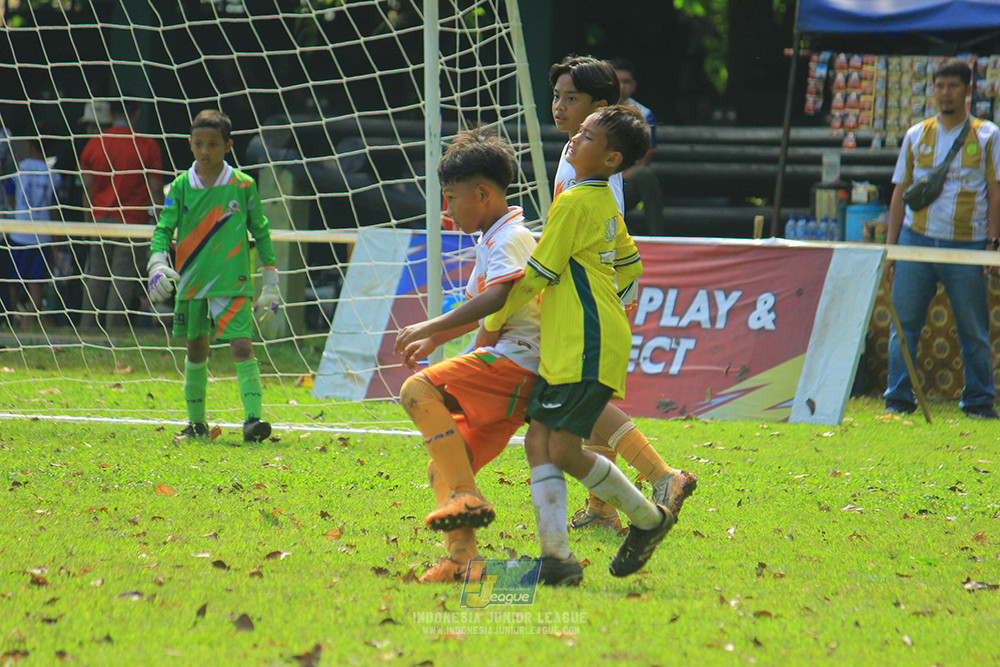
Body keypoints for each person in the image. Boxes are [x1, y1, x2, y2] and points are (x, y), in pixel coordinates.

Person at [483, 105, 672, 586]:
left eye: (587, 136)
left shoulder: (572, 204)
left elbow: (536, 275)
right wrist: (609, 302)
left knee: (564, 449)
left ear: (611, 159)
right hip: (577, 340)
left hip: (585, 342)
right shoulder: (600, 199)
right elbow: (630, 266)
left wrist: (494, 319)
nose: (574, 139)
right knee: (538, 443)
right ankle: (556, 557)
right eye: (579, 132)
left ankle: (649, 519)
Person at [549, 55, 696, 533]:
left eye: (572, 99)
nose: (560, 106)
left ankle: (662, 475)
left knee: (585, 400)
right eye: (557, 96)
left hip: (597, 296)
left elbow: (604, 242)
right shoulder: (577, 155)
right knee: (589, 399)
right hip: (599, 293)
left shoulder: (592, 173)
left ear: (602, 108)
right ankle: (601, 508)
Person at [392, 130, 539, 583]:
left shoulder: (510, 237)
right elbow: (489, 303)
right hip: (513, 372)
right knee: (444, 466)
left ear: (483, 193)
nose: (446, 211)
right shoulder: (492, 237)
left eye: (451, 198)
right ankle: (464, 560)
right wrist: (438, 340)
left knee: (416, 390)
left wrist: (431, 326)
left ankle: (467, 497)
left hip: (518, 363)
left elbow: (497, 298)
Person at [147, 110, 281, 443]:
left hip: (232, 281)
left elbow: (261, 233)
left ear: (228, 146)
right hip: (192, 282)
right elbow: (164, 229)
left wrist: (272, 283)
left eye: (213, 144)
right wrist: (157, 263)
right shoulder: (179, 186)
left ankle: (253, 421)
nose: (205, 151)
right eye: (198, 144)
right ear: (190, 145)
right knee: (196, 349)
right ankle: (196, 425)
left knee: (241, 345)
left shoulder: (243, 185)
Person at [884, 58, 1000, 420]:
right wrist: (891, 248)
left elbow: (996, 193)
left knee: (974, 331)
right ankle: (898, 400)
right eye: (940, 85)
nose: (945, 92)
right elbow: (899, 192)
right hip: (915, 239)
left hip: (967, 244)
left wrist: (992, 245)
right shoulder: (916, 134)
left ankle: (979, 402)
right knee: (903, 327)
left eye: (953, 86)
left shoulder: (988, 135)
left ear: (968, 91)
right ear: (932, 89)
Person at [79, 100, 163, 329]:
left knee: (96, 276)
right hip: (132, 222)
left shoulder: (94, 145)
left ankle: (88, 328)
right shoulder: (146, 145)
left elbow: (87, 189)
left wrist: (87, 225)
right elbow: (156, 189)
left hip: (100, 221)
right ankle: (114, 331)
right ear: (136, 113)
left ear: (111, 113)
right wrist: (162, 223)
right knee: (122, 280)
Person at [4, 138, 63, 329]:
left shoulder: (20, 169)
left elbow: (10, 193)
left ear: (30, 145)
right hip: (42, 234)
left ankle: (9, 319)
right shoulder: (53, 175)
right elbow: (54, 207)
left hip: (20, 232)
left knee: (14, 280)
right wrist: (56, 239)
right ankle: (29, 321)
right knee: (36, 281)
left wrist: (18, 211)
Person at [609, 56, 665, 236]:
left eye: (626, 82)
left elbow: (644, 161)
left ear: (634, 86)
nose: (622, 86)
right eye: (617, 82)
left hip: (626, 184)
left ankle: (657, 239)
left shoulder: (645, 115)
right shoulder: (594, 110)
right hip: (595, 182)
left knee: (646, 175)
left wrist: (618, 179)